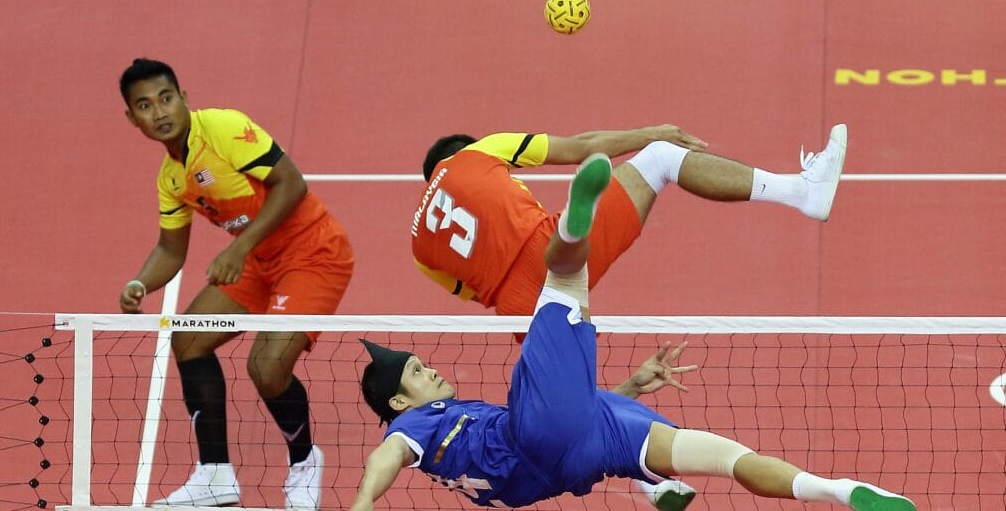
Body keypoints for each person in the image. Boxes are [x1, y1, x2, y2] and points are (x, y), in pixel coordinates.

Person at [357, 154, 915, 511]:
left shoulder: (445, 433)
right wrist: (360, 504)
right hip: (532, 434)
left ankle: (836, 490)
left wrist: (628, 385)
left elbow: (565, 420)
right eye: (416, 372)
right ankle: (574, 220)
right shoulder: (414, 425)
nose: (430, 368)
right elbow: (386, 458)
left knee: (730, 459)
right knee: (563, 275)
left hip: (574, 457)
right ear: (399, 401)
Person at [117, 58, 354, 509]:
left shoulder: (223, 128)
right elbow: (170, 250)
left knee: (266, 366)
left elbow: (292, 184)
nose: (159, 112)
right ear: (133, 118)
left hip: (313, 252)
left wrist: (238, 248)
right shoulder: (171, 178)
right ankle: (214, 475)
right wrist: (140, 283)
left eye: (166, 98)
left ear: (184, 98)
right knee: (188, 338)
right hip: (258, 259)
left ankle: (305, 462)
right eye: (145, 106)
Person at [412, 123, 848, 319]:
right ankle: (801, 191)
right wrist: (649, 133)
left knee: (580, 409)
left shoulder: (420, 252)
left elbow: (473, 292)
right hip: (544, 250)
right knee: (660, 159)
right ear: (460, 151)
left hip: (519, 309)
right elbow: (582, 146)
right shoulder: (478, 153)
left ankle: (646, 482)